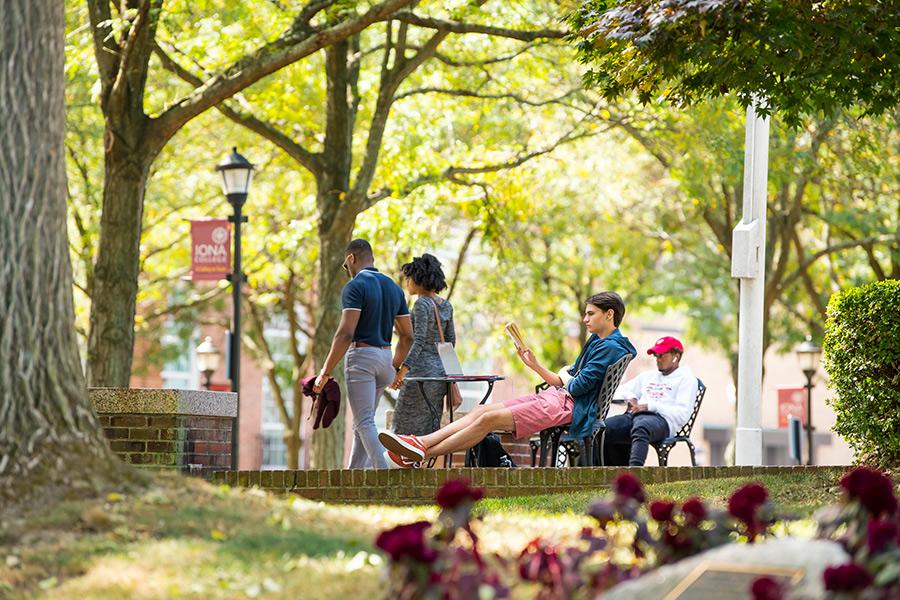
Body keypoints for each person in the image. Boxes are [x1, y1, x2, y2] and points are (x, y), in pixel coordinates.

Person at [378, 292, 636, 467]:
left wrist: (568, 375)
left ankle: (420, 451)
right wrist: (534, 365)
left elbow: (578, 386)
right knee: (481, 410)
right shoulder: (599, 341)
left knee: (488, 420)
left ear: (609, 314)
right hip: (558, 398)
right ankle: (419, 445)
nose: (585, 319)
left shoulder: (611, 347)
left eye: (591, 314)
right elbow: (567, 380)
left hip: (570, 408)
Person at [313, 239, 413, 469]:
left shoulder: (355, 286)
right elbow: (408, 336)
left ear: (351, 259)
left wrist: (325, 372)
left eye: (345, 266)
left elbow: (345, 334)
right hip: (385, 360)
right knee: (362, 424)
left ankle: (384, 477)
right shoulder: (394, 288)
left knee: (364, 421)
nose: (347, 271)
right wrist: (394, 368)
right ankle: (353, 478)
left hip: (362, 359)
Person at [602, 336, 699, 466]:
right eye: (656, 355)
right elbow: (617, 391)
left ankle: (635, 474)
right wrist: (631, 398)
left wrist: (650, 406)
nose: (658, 359)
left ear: (676, 356)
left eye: (662, 355)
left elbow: (682, 414)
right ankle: (613, 474)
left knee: (642, 427)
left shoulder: (686, 380)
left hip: (663, 421)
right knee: (605, 428)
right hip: (635, 416)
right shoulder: (648, 376)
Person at [389, 254, 457, 436]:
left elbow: (417, 340)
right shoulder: (446, 305)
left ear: (418, 279)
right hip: (440, 376)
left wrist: (402, 371)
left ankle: (405, 463)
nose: (407, 282)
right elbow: (451, 341)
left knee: (402, 428)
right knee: (429, 428)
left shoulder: (421, 305)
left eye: (409, 278)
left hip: (419, 375)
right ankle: (423, 464)